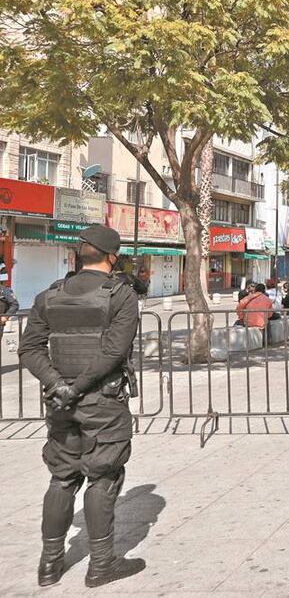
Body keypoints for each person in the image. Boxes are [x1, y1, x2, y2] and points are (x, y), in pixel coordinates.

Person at [18, 224, 145, 588]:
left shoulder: (50, 294)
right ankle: (101, 565)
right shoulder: (120, 295)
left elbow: (30, 349)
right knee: (103, 477)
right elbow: (112, 352)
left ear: (78, 254)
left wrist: (59, 385)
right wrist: (76, 388)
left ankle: (50, 564)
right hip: (101, 400)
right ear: (112, 256)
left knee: (61, 477)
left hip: (59, 403)